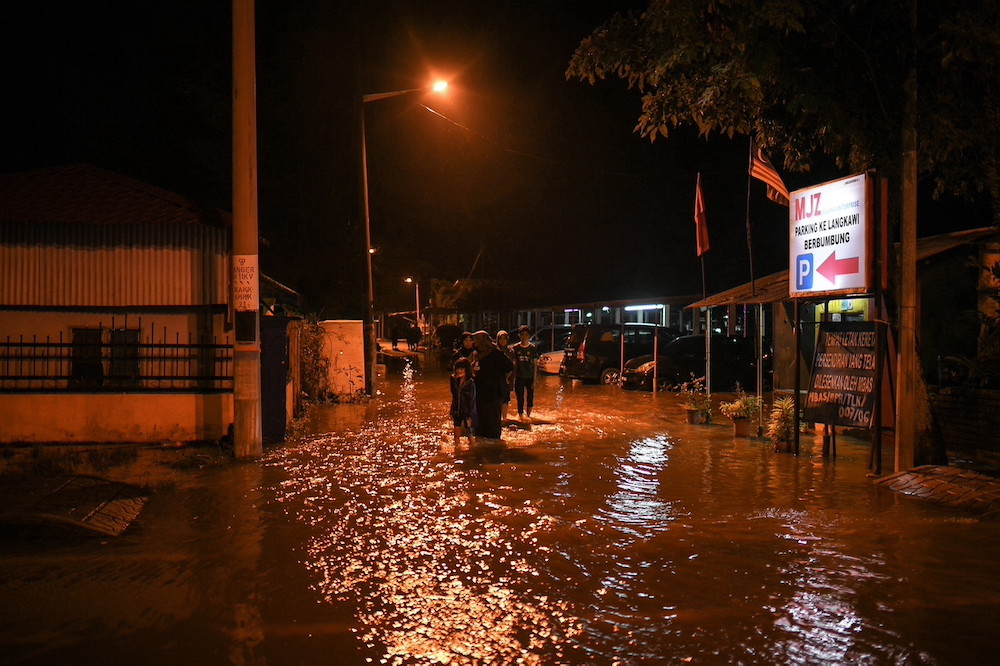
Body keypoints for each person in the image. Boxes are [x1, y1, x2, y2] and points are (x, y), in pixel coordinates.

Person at [470, 330, 513, 441]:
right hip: (480, 392)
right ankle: (480, 437)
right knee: (480, 418)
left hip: (494, 392)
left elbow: (509, 367)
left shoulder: (496, 354)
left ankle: (494, 441)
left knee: (493, 419)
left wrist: (502, 380)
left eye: (476, 340)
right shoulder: (476, 354)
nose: (474, 343)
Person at [512, 325, 539, 420]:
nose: (524, 336)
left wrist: (535, 380)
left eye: (526, 335)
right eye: (522, 334)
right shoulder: (515, 348)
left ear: (529, 336)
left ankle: (528, 415)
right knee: (520, 396)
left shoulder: (532, 348)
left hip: (529, 376)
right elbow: (513, 363)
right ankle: (520, 415)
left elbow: (535, 365)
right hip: (519, 375)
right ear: (519, 335)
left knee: (530, 397)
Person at [449, 357, 477, 449]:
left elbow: (471, 400)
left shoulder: (470, 382)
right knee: (456, 434)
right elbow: (454, 396)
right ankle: (457, 450)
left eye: (462, 369)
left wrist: (469, 416)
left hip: (467, 412)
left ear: (466, 369)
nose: (459, 371)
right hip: (457, 410)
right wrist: (452, 410)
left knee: (470, 434)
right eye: (458, 369)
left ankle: (472, 451)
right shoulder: (453, 380)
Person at [495, 330, 516, 420]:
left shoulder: (511, 351)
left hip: (508, 379)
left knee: (506, 399)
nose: (503, 341)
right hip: (496, 379)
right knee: (496, 398)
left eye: (504, 339)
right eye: (501, 339)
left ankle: (504, 418)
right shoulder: (495, 351)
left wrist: (508, 378)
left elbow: (513, 366)